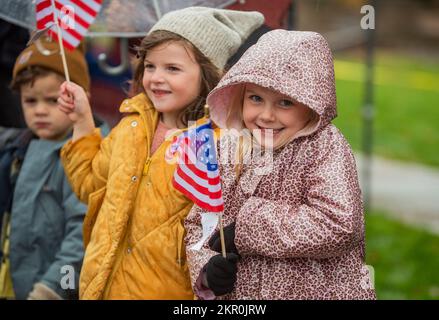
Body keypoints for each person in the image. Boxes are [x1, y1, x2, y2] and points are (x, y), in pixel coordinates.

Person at [57, 7, 264, 299]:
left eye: (173, 68)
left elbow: (220, 232)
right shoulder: (132, 125)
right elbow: (89, 186)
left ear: (208, 74)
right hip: (103, 289)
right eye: (150, 66)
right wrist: (81, 120)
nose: (155, 77)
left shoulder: (219, 143)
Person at [184, 30, 377, 300]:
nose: (266, 115)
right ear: (240, 95)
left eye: (285, 102)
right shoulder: (230, 145)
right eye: (255, 98)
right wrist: (207, 268)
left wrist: (247, 228)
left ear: (311, 103)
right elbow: (199, 221)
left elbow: (340, 225)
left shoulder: (324, 147)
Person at [0, 35, 108, 300]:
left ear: (81, 99)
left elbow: (81, 238)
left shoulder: (87, 157)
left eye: (52, 100)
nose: (40, 111)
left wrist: (54, 289)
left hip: (48, 289)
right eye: (30, 101)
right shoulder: (15, 148)